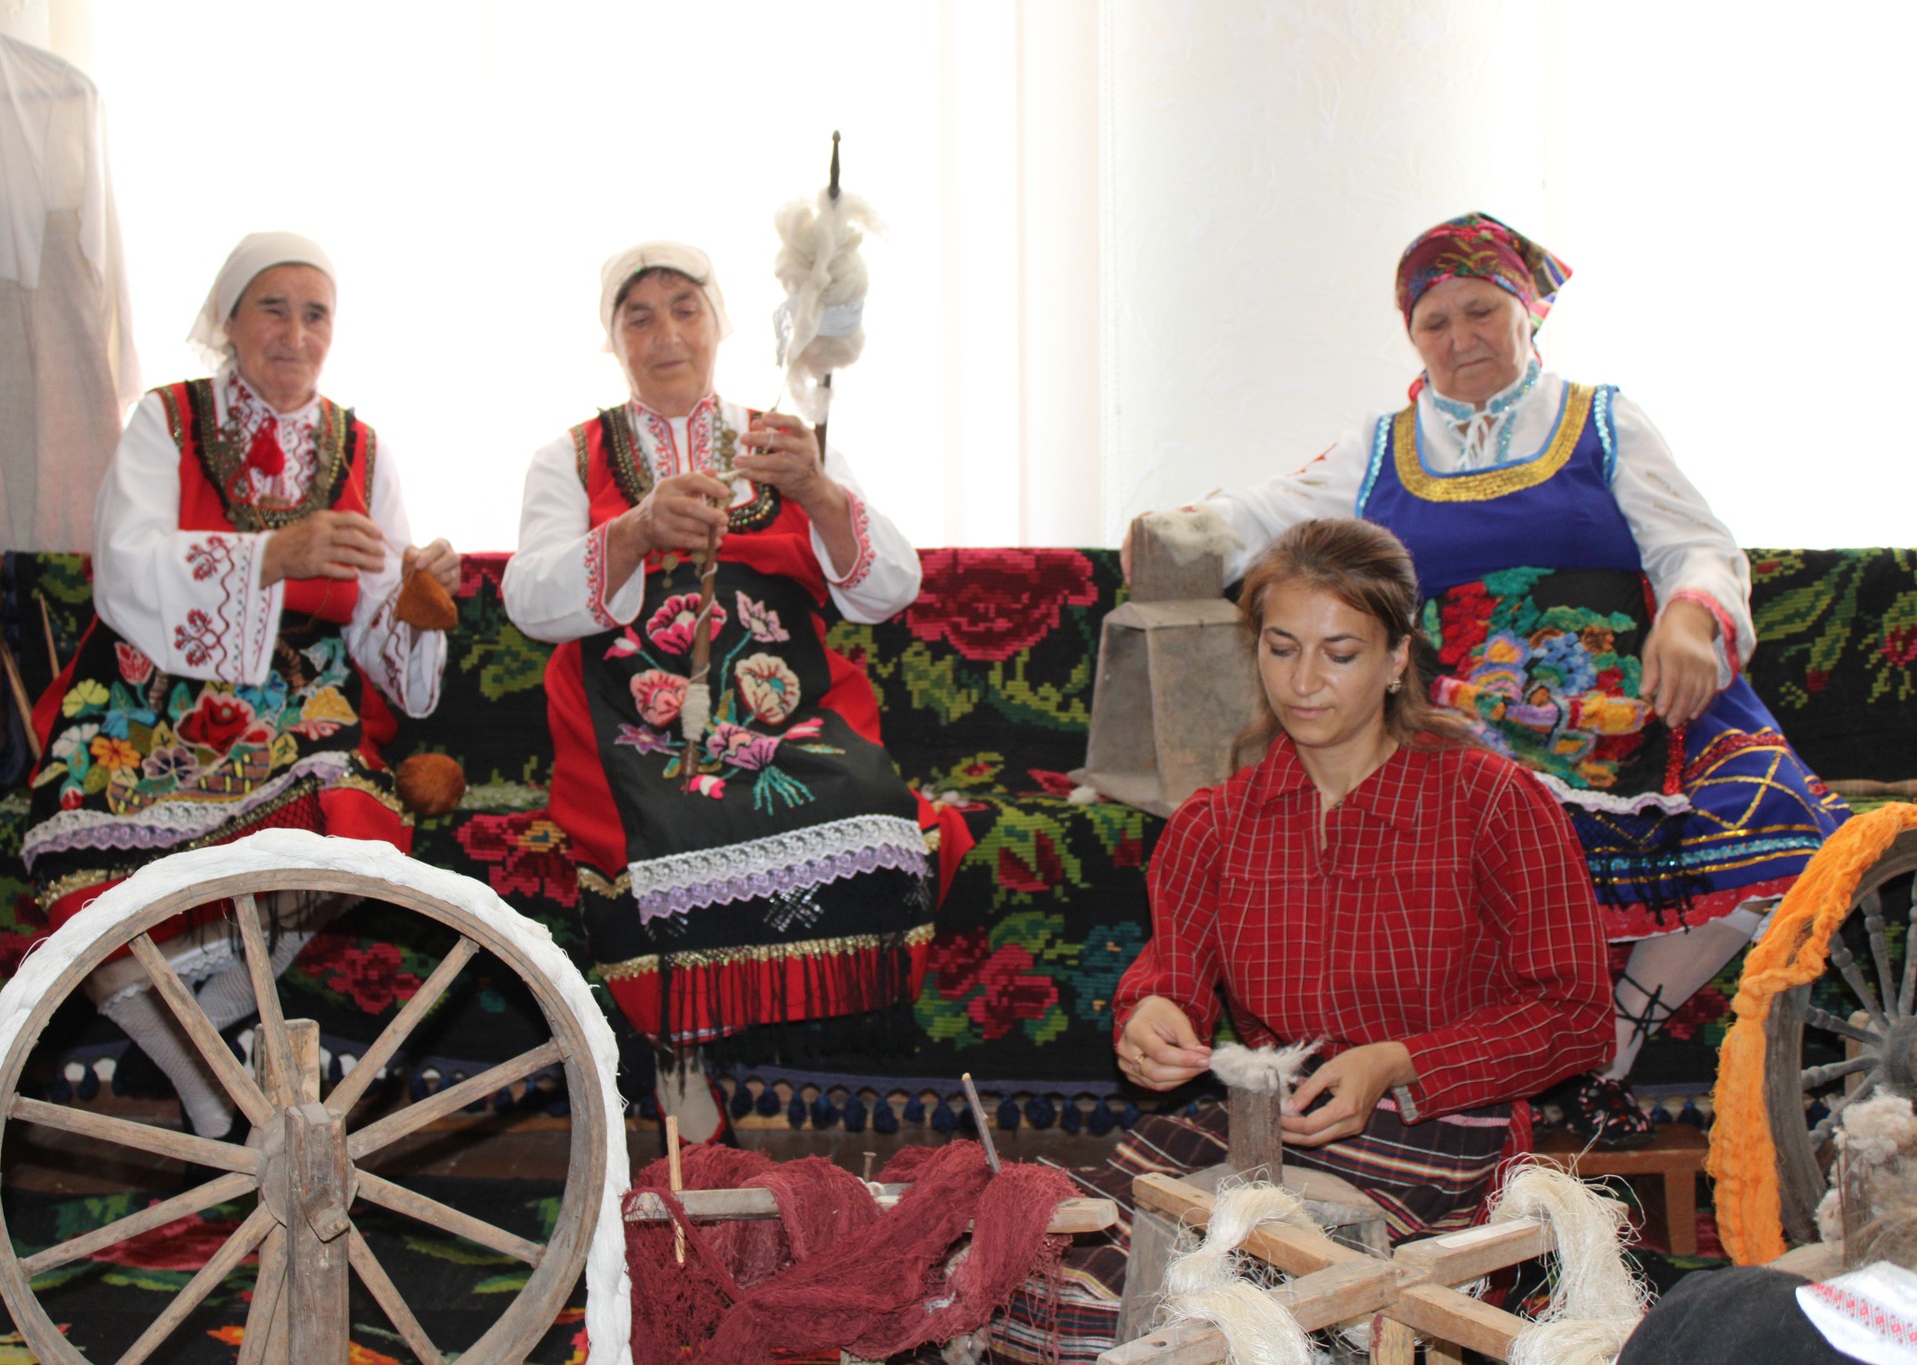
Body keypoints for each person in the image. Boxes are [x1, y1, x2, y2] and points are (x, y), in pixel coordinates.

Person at [1167, 212, 1849, 1144]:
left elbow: (1694, 542)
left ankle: (1613, 1032)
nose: (1460, 339)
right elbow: (1267, 514)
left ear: (1529, 314)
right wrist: (1187, 534)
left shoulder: (1603, 420)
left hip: (1630, 702)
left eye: (1481, 312)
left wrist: (1691, 615)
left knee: (1772, 821)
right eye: (1433, 324)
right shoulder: (1381, 444)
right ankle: (1492, 1062)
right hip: (1467, 712)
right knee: (1478, 825)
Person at [990, 518, 1611, 1364]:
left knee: (1228, 1324)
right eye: (1281, 648)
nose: (1304, 682)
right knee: (1042, 1282)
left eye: (1340, 653)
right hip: (1263, 1131)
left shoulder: (1494, 805)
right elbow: (1169, 977)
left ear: (1398, 659)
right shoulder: (1220, 823)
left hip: (1442, 1148)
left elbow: (1578, 1017)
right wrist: (1151, 1020)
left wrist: (1398, 1060)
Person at [502, 241, 968, 1139]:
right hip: (626, 704)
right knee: (673, 816)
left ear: (718, 324)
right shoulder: (568, 456)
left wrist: (820, 493)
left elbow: (889, 588)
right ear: (613, 339)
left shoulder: (778, 441)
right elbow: (531, 600)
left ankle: (783, 1037)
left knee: (868, 805)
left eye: (686, 308)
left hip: (779, 695)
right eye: (639, 316)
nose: (666, 333)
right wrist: (635, 530)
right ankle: (685, 1038)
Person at [22, 232, 460, 1141]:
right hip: (146, 696)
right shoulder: (166, 420)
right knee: (93, 860)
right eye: (274, 308)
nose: (295, 333)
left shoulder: (363, 448)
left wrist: (418, 601)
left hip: (300, 697)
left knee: (349, 816)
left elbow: (381, 612)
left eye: (316, 314)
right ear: (228, 320)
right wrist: (271, 555)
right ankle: (204, 1082)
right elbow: (123, 565)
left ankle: (200, 1027)